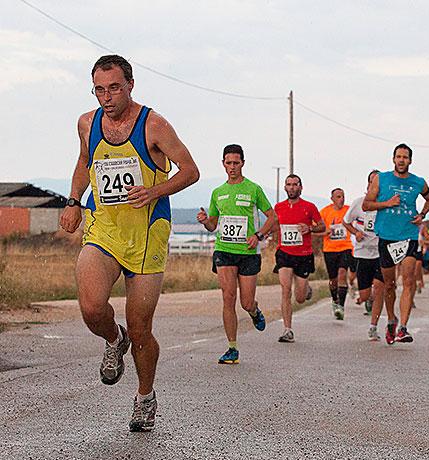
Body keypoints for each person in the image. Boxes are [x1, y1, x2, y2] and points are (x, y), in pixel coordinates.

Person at [58, 55, 199, 432]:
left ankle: (145, 396)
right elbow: (85, 161)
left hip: (146, 233)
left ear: (130, 85)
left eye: (114, 88)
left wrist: (154, 190)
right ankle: (113, 338)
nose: (107, 97)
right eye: (99, 90)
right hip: (103, 228)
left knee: (140, 328)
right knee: (91, 307)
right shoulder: (87, 123)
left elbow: (190, 171)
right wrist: (73, 200)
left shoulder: (154, 125)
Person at [197, 144, 276, 364]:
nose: (232, 167)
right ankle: (232, 348)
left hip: (248, 251)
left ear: (243, 163)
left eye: (236, 163)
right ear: (223, 164)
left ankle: (254, 311)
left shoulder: (253, 189)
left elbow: (272, 217)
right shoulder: (217, 192)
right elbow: (213, 225)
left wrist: (259, 235)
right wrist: (205, 221)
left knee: (246, 302)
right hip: (224, 250)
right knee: (228, 297)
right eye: (228, 163)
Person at [363, 143, 429, 344]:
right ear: (393, 159)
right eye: (399, 157)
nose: (402, 160)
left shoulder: (418, 182)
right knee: (389, 285)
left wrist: (422, 214)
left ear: (410, 160)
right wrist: (387, 204)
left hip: (409, 235)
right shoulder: (381, 179)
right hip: (387, 236)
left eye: (405, 157)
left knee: (408, 281)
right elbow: (367, 205)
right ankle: (391, 320)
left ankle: (403, 327)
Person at [272, 174, 324, 342]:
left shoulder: (309, 207)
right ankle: (287, 330)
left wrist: (310, 228)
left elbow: (322, 226)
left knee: (300, 298)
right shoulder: (278, 207)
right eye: (289, 184)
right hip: (284, 253)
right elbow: (273, 225)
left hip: (303, 255)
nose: (292, 187)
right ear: (285, 187)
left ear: (301, 187)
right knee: (285, 289)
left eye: (295, 184)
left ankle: (306, 289)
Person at [343, 170, 385, 341]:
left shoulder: (386, 204)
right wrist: (356, 233)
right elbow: (346, 222)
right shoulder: (359, 203)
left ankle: (373, 327)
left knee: (380, 288)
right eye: (373, 182)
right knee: (366, 295)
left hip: (381, 253)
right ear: (368, 185)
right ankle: (367, 298)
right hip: (363, 253)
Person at [320, 188, 354, 320]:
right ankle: (335, 299)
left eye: (343, 196)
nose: (342, 199)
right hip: (329, 250)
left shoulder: (348, 210)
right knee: (333, 280)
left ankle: (341, 307)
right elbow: (315, 230)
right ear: (332, 199)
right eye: (338, 197)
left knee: (342, 274)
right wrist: (325, 232)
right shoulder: (325, 212)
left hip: (346, 247)